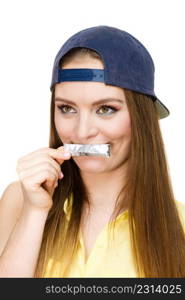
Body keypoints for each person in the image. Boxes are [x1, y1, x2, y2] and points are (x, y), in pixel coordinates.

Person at [0, 25, 185, 278]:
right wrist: (35, 213)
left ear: (142, 118)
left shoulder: (181, 225)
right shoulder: (19, 202)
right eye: (66, 108)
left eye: (106, 109)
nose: (83, 131)